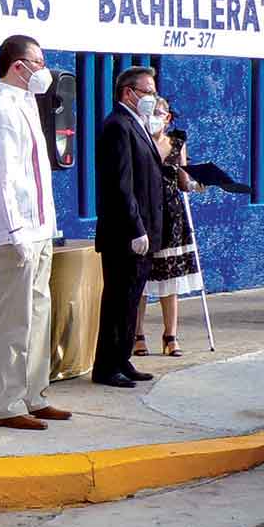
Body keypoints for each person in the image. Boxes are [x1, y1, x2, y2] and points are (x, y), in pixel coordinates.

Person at [0, 34, 72, 431]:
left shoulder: (26, 105)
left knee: (38, 313)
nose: (44, 70)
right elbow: (1, 178)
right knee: (13, 319)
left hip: (39, 229)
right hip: (16, 234)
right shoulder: (0, 111)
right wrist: (16, 230)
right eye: (39, 62)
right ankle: (8, 404)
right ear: (19, 66)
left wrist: (45, 226)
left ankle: (34, 394)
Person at [92, 65, 165, 388]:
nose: (152, 97)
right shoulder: (117, 126)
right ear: (128, 93)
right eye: (147, 92)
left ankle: (121, 359)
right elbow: (121, 185)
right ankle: (106, 366)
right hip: (125, 234)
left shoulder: (138, 125)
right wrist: (137, 229)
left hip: (144, 231)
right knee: (118, 302)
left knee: (130, 300)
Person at [137, 96, 205, 358]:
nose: (155, 115)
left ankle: (170, 336)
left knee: (170, 281)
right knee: (141, 280)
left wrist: (200, 183)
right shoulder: (139, 139)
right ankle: (138, 335)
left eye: (160, 112)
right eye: (151, 111)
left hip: (172, 216)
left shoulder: (177, 143)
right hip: (145, 213)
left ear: (168, 118)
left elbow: (184, 179)